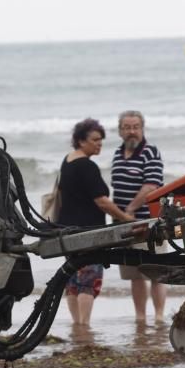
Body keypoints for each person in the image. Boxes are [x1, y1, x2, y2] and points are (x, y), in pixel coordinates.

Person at [58, 118, 135, 326]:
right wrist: (126, 218)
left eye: (101, 140)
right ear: (81, 141)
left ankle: (77, 324)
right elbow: (102, 201)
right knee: (88, 280)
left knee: (73, 278)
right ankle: (84, 324)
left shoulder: (68, 161)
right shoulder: (87, 166)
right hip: (88, 231)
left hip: (66, 229)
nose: (99, 143)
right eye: (95, 140)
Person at [110, 109, 167, 323]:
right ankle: (140, 317)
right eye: (127, 128)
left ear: (142, 129)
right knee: (133, 274)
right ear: (120, 131)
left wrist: (130, 210)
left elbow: (151, 187)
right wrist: (119, 216)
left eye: (135, 127)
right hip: (123, 225)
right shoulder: (117, 153)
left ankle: (160, 316)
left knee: (156, 272)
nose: (131, 132)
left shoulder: (150, 152)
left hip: (148, 222)